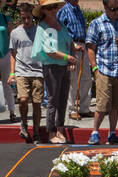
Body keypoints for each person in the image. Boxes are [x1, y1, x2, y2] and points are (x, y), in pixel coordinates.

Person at [85, 0, 118, 144]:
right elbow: (91, 47)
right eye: (111, 9)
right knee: (102, 104)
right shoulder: (97, 23)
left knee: (116, 105)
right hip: (104, 69)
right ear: (105, 7)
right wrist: (94, 68)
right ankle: (95, 132)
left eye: (117, 9)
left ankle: (112, 133)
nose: (114, 12)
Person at [34, 0, 74, 144]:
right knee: (53, 99)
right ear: (43, 10)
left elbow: (69, 42)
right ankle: (51, 131)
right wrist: (68, 57)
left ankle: (60, 128)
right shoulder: (43, 27)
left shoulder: (61, 25)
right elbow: (49, 51)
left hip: (63, 66)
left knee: (62, 99)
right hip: (52, 66)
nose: (53, 10)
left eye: (54, 7)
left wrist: (70, 59)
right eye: (49, 8)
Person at [9, 2, 42, 142]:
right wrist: (12, 73)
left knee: (37, 103)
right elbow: (12, 53)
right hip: (22, 70)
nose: (26, 21)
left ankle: (36, 130)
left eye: (29, 18)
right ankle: (24, 123)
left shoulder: (40, 32)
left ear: (32, 16)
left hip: (38, 71)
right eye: (24, 18)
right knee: (23, 100)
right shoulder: (15, 33)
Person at [56, 0, 86, 120]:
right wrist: (72, 46)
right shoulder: (63, 9)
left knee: (86, 79)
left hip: (83, 45)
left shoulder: (77, 8)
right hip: (71, 45)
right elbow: (61, 31)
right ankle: (71, 109)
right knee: (72, 80)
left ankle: (84, 108)